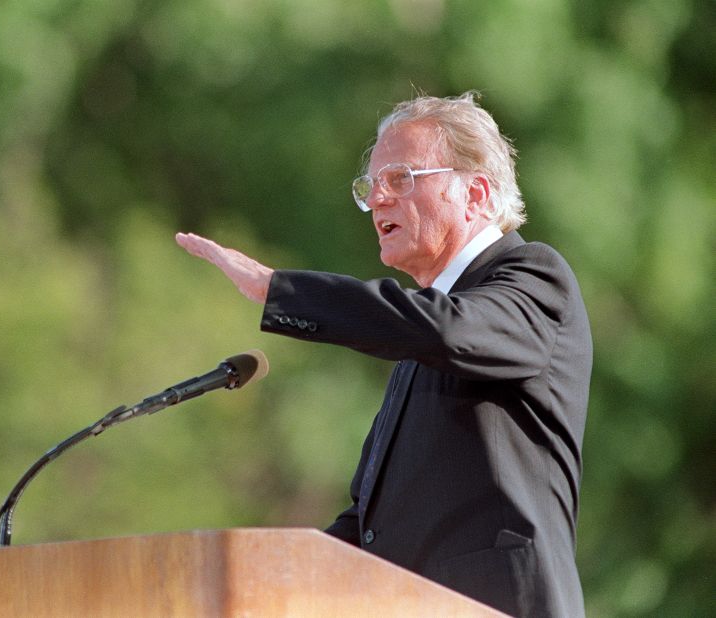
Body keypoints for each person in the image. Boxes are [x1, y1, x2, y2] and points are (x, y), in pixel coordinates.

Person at [175, 92, 592, 617]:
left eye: (400, 179)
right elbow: (373, 528)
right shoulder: (421, 334)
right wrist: (263, 577)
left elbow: (449, 332)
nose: (378, 200)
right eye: (371, 187)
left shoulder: (531, 277)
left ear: (476, 192)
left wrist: (278, 288)